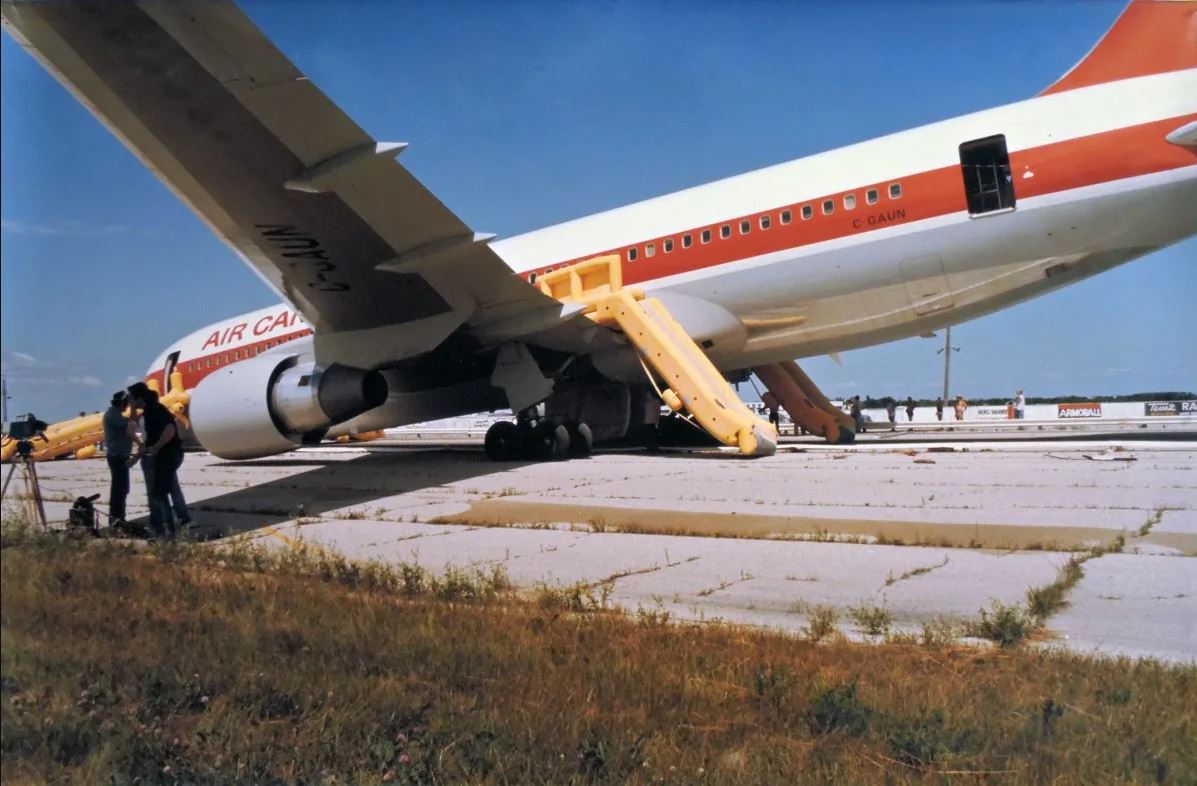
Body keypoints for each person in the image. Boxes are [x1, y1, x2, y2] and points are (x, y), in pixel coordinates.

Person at [128, 383, 187, 538]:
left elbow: (170, 429)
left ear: (139, 398)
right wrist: (136, 458)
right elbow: (134, 429)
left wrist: (157, 446)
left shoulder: (155, 410)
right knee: (161, 493)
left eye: (132, 398)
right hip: (162, 455)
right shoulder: (149, 411)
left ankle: (166, 529)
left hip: (166, 456)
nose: (130, 401)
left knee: (159, 495)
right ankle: (168, 527)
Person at [101, 391, 141, 526]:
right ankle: (117, 520)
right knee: (119, 490)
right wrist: (134, 407)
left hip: (119, 457)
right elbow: (133, 424)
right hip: (117, 457)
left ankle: (118, 519)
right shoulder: (113, 416)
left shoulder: (114, 415)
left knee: (122, 488)